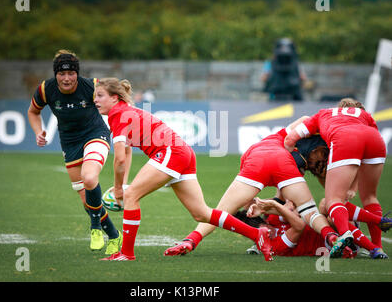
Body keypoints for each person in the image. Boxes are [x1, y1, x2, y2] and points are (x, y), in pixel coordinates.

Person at [93, 77, 274, 262]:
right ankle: (257, 234)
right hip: (183, 152)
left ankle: (126, 254)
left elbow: (120, 159)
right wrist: (121, 185)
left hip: (170, 152)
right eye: (95, 96)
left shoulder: (118, 114)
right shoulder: (125, 111)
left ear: (115, 98)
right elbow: (128, 152)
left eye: (100, 95)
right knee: (201, 213)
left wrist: (118, 189)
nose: (95, 100)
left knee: (131, 195)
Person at [164, 118, 348, 259]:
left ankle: (191, 240)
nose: (322, 163)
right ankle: (331, 237)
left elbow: (281, 198)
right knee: (311, 212)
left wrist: (261, 205)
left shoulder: (284, 139)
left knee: (219, 211)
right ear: (313, 149)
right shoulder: (297, 155)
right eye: (323, 155)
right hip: (279, 162)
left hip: (258, 159)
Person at [27, 49, 126, 254]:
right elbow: (33, 111)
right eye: (62, 74)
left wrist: (125, 123)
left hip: (95, 134)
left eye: (71, 73)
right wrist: (39, 131)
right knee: (86, 200)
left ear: (77, 74)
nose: (66, 78)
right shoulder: (46, 89)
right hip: (70, 143)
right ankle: (115, 236)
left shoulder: (91, 86)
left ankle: (95, 228)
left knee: (89, 178)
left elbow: (117, 98)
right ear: (56, 75)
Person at [284, 98, 387, 250]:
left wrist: (289, 159)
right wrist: (354, 186)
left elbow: (289, 138)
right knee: (370, 197)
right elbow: (366, 145)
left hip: (344, 141)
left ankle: (346, 236)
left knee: (331, 201)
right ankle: (378, 246)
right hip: (374, 140)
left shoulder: (323, 114)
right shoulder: (365, 116)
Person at [242, 197, 389, 259]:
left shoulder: (274, 220)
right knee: (329, 217)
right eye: (258, 235)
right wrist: (275, 206)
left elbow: (294, 206)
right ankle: (373, 248)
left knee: (327, 203)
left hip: (341, 228)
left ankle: (380, 221)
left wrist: (274, 207)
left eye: (260, 229)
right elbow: (299, 225)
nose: (265, 233)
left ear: (262, 223)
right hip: (337, 247)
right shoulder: (275, 247)